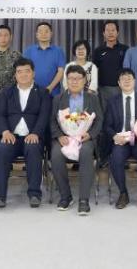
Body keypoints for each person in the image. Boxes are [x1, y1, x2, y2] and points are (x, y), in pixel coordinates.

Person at [0, 58, 51, 208]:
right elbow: (0, 115)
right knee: (2, 150)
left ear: (33, 73)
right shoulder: (6, 93)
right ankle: (0, 196)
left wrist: (36, 133)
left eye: (27, 71)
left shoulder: (43, 93)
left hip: (32, 136)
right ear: (15, 75)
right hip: (11, 136)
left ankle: (34, 194)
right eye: (19, 72)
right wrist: (5, 131)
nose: (23, 74)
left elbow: (44, 116)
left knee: (33, 149)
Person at [50, 65, 103, 215]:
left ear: (84, 80)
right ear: (66, 81)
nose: (74, 81)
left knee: (86, 153)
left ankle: (84, 200)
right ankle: (66, 196)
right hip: (64, 137)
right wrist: (59, 136)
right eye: (71, 78)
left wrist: (90, 134)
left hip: (85, 137)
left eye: (78, 78)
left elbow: (99, 120)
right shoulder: (58, 99)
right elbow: (52, 121)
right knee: (56, 155)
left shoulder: (92, 98)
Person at [103, 68, 137, 210]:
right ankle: (123, 193)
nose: (126, 81)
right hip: (121, 140)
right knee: (116, 158)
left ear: (135, 81)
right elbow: (106, 125)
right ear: (119, 83)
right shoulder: (112, 101)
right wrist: (114, 136)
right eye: (123, 79)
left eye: (129, 78)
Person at [93, 21, 128, 163]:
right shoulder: (98, 51)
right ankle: (103, 157)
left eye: (113, 30)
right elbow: (94, 72)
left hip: (121, 91)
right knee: (104, 123)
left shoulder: (125, 49)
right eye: (108, 30)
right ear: (103, 33)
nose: (110, 32)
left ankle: (121, 156)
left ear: (117, 32)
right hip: (103, 91)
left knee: (120, 122)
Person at [23, 21, 66, 96]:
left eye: (46, 31)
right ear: (36, 35)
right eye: (40, 32)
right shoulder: (28, 51)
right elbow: (25, 71)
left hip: (53, 92)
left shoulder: (58, 51)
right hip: (32, 91)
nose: (43, 34)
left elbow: (60, 72)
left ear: (51, 34)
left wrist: (50, 88)